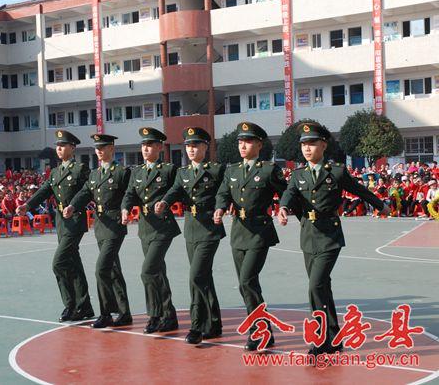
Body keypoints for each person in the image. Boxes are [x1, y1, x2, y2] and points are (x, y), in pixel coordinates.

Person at [277, 122, 390, 356]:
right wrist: (283, 208)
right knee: (323, 287)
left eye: (312, 143)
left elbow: (359, 190)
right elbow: (288, 194)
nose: (307, 148)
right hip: (308, 235)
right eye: (304, 144)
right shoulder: (298, 175)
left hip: (330, 236)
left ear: (323, 145)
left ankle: (320, 339)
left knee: (315, 285)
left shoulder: (336, 172)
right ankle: (334, 337)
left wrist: (381, 205)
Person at [214, 122, 289, 350]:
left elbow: (286, 192)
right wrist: (220, 208)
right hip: (238, 231)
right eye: (240, 142)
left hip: (259, 231)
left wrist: (283, 208)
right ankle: (263, 330)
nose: (243, 145)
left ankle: (258, 331)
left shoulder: (268, 169)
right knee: (247, 284)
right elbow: (223, 193)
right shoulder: (232, 170)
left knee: (246, 280)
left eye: (248, 141)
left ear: (259, 144)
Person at [154, 127, 225, 344]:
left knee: (196, 275)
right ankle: (214, 323)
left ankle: (197, 326)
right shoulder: (182, 173)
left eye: (195, 145)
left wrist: (221, 208)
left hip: (210, 228)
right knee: (203, 276)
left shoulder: (216, 170)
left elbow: (224, 192)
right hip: (191, 228)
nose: (191, 149)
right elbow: (175, 190)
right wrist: (164, 202)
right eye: (188, 146)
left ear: (205, 147)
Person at [16, 130, 94, 322]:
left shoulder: (80, 169)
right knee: (73, 263)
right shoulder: (56, 172)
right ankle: (83, 306)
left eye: (63, 145)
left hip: (75, 220)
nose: (59, 149)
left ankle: (70, 304)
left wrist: (74, 205)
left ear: (72, 148)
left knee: (59, 263)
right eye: (57, 146)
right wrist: (27, 205)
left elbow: (88, 191)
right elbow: (44, 191)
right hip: (61, 222)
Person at [64, 134, 132, 329]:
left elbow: (130, 194)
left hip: (115, 225)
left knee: (101, 269)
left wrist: (126, 209)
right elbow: (85, 192)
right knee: (112, 269)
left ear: (111, 148)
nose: (99, 151)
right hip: (101, 226)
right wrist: (73, 206)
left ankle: (106, 314)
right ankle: (124, 312)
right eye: (97, 148)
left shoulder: (122, 172)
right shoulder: (95, 174)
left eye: (103, 147)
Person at [121, 127, 180, 334]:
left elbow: (178, 190)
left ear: (159, 147)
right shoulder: (136, 172)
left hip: (163, 227)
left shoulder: (168, 170)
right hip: (145, 228)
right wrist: (125, 208)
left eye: (150, 145)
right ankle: (168, 316)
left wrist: (166, 202)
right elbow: (130, 194)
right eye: (143, 145)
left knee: (148, 270)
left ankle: (155, 314)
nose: (145, 149)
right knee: (157, 271)